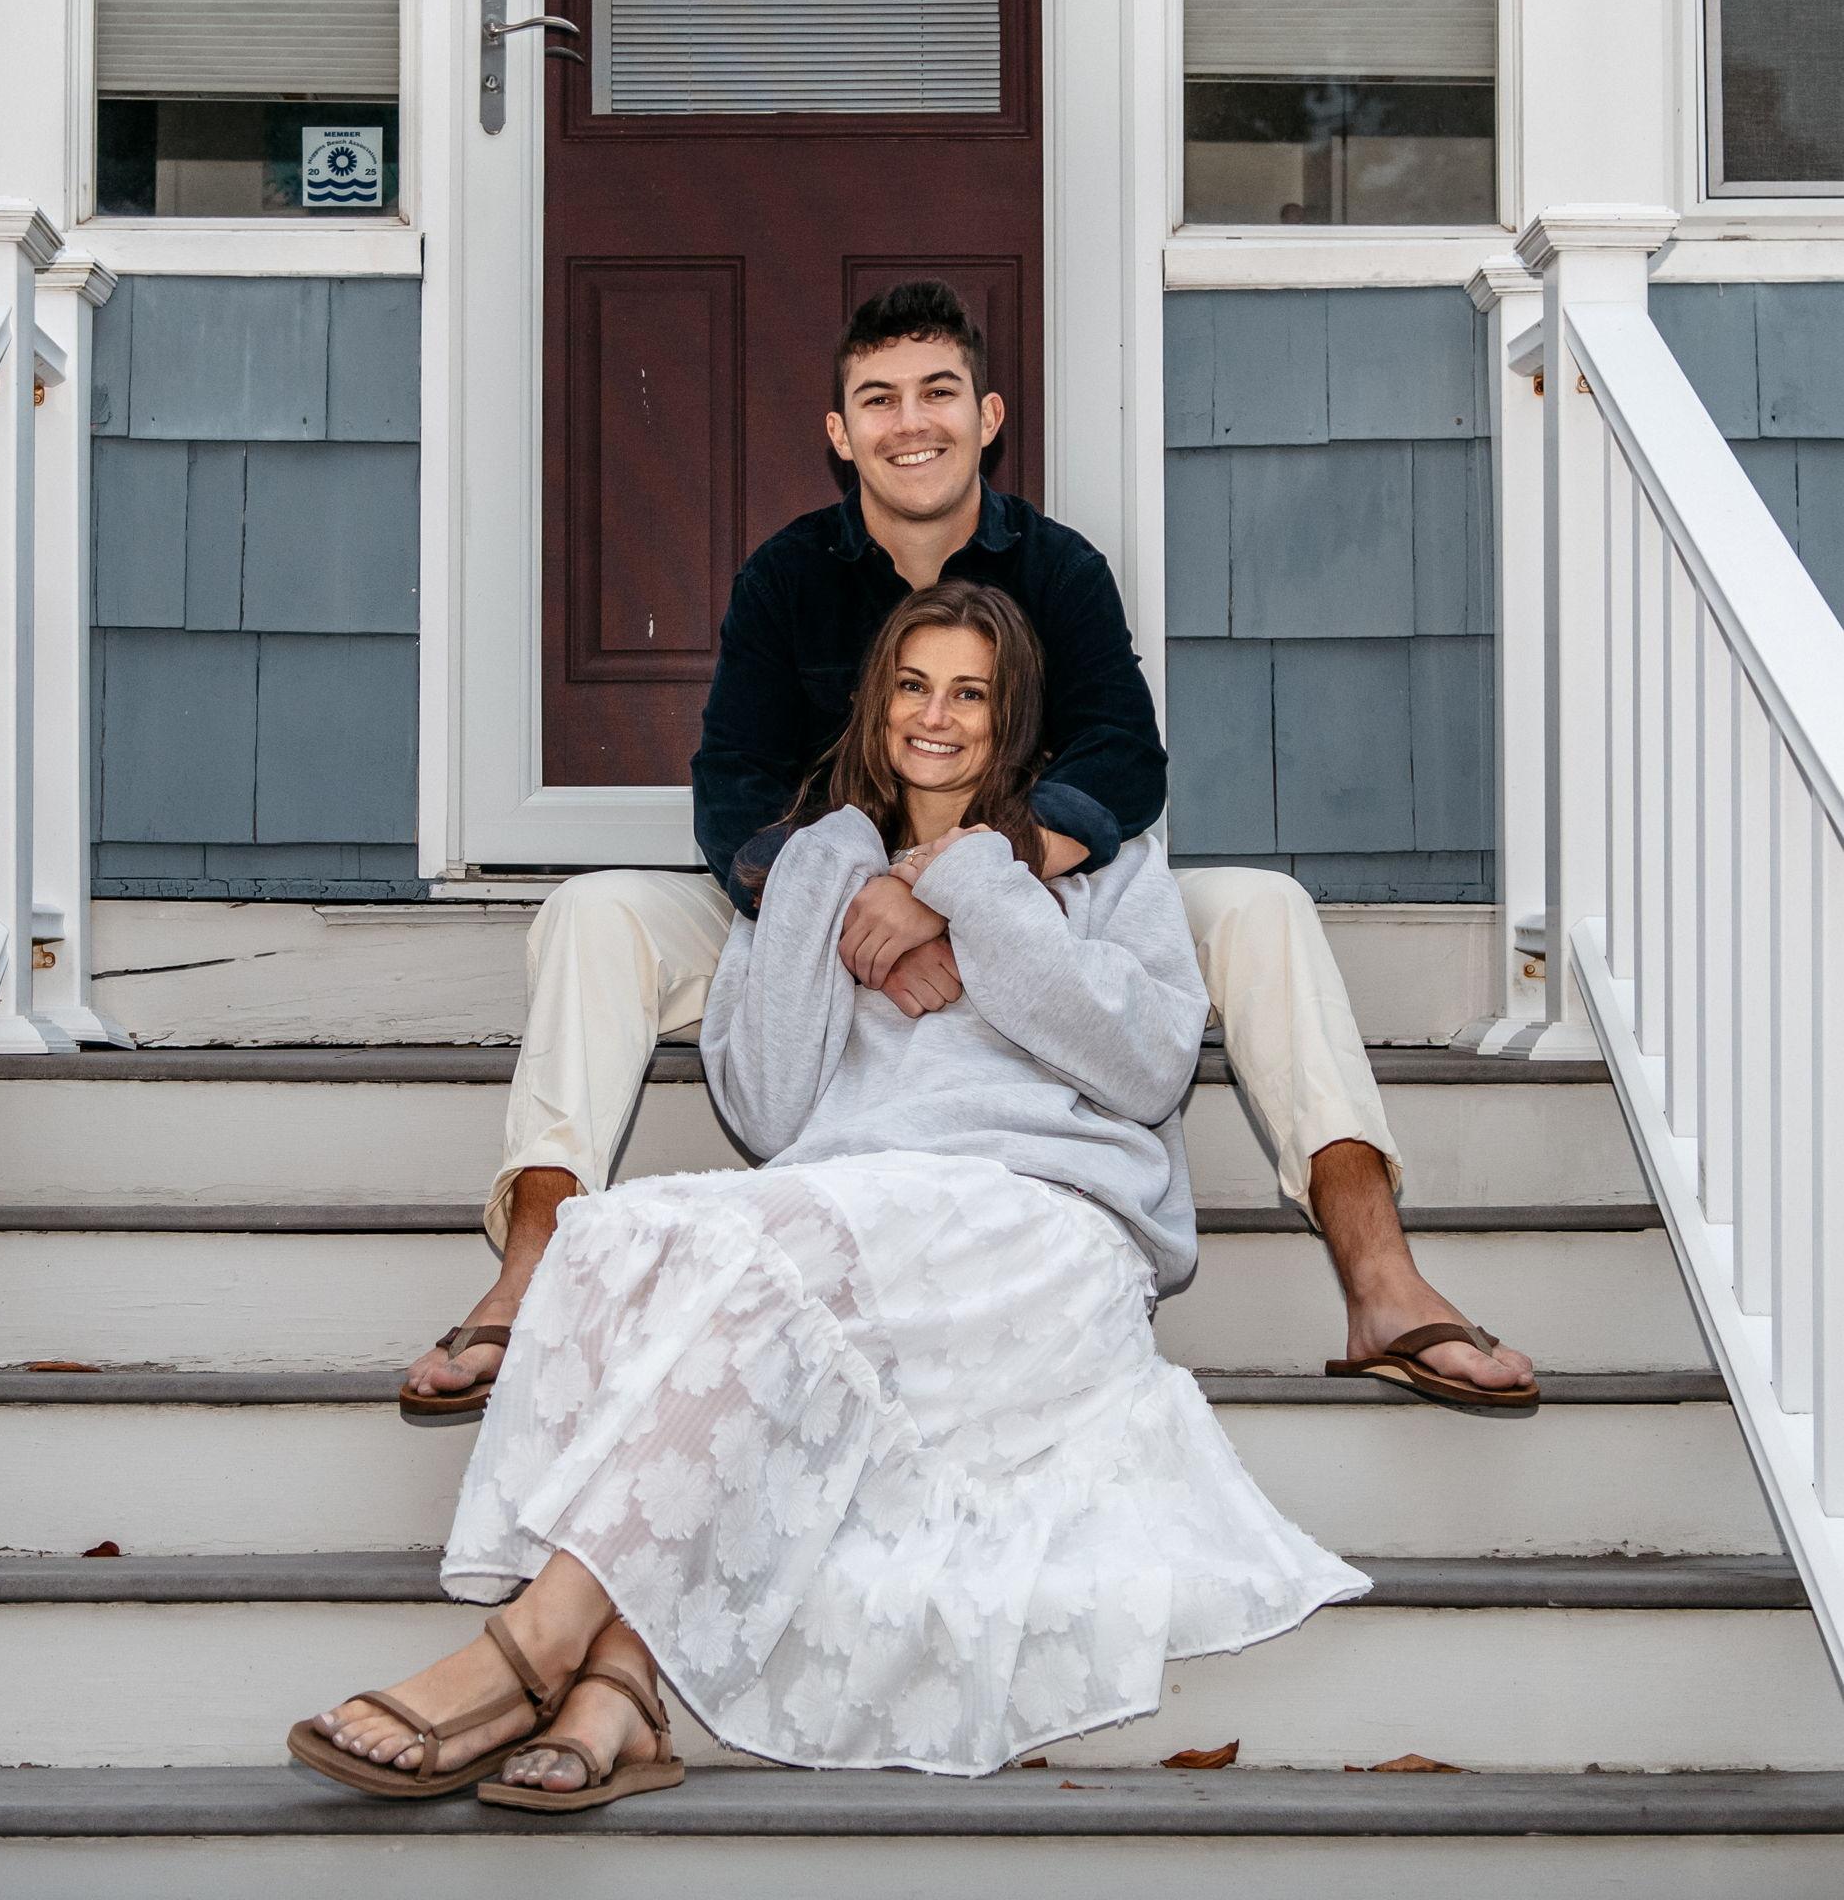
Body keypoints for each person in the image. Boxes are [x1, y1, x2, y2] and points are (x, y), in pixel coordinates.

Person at [292, 583, 1370, 1800]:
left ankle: (537, 1641)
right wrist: (824, 878)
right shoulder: (820, 860)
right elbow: (766, 1103)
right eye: (913, 685)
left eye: (969, 693)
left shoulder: (1101, 872)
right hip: (853, 1206)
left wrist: (976, 884)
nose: (936, 717)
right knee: (618, 1234)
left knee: (762, 1264)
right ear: (876, 701)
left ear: (1012, 714)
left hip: (1034, 1216)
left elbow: (1145, 1064)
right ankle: (619, 1688)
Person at [401, 280, 1538, 1427]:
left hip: (1034, 885)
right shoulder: (786, 578)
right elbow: (733, 792)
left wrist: (951, 887)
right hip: (821, 899)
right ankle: (531, 1273)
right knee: (595, 910)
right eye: (879, 398)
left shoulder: (1059, 568)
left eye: (937, 391)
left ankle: (1379, 1277)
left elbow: (1123, 760)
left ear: (987, 415)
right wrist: (866, 909)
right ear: (840, 431)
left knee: (1263, 908)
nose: (911, 421)